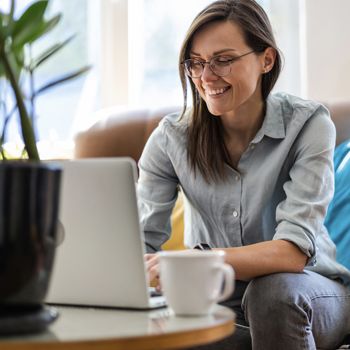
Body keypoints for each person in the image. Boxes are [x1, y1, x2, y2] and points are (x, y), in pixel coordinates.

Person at [137, 0, 350, 349]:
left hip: (311, 290)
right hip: (215, 298)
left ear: (266, 59)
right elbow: (139, 243)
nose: (206, 77)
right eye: (197, 63)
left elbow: (292, 253)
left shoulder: (309, 125)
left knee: (273, 293)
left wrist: (198, 260)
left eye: (223, 60)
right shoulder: (170, 139)